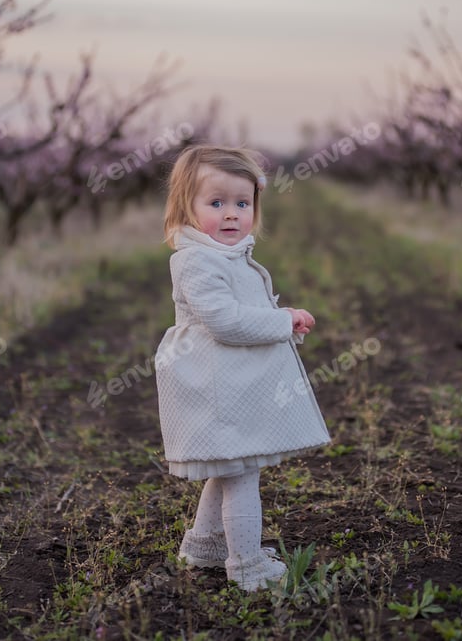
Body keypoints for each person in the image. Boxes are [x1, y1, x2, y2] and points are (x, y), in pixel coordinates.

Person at [155, 145, 330, 591]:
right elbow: (226, 321)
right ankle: (247, 565)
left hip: (231, 385)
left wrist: (281, 317)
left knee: (229, 466)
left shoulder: (226, 254)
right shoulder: (196, 260)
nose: (231, 214)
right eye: (216, 203)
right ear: (187, 208)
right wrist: (281, 320)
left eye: (242, 203)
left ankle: (203, 546)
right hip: (218, 388)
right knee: (241, 472)